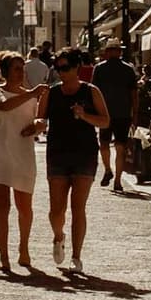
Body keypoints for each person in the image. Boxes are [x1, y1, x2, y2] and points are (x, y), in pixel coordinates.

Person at [43, 46, 108, 274]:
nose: (61, 72)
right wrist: (37, 125)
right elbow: (39, 118)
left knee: (78, 207)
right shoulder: (51, 93)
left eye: (66, 67)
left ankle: (76, 257)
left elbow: (105, 121)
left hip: (84, 154)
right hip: (58, 154)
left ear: (77, 66)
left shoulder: (91, 91)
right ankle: (58, 236)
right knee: (56, 210)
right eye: (58, 68)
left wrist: (84, 115)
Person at [0, 51, 43, 274]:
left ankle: (24, 248)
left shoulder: (31, 96)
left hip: (24, 156)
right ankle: (3, 255)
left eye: (22, 68)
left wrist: (38, 126)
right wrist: (32, 93)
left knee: (25, 208)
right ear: (5, 71)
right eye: (16, 68)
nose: (21, 72)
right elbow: (4, 107)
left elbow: (39, 121)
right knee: (2, 207)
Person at [93, 41, 141, 192]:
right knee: (120, 147)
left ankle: (108, 170)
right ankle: (118, 180)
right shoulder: (128, 69)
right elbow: (134, 94)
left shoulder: (99, 68)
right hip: (122, 113)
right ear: (119, 52)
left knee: (104, 144)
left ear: (106, 52)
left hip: (105, 113)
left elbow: (93, 91)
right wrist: (135, 114)